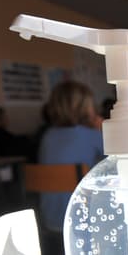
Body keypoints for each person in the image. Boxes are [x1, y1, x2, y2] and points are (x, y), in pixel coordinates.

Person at [38, 81, 105, 231]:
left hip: (51, 218)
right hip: (86, 220)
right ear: (88, 107)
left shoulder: (47, 136)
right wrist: (102, 130)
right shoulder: (92, 135)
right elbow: (115, 162)